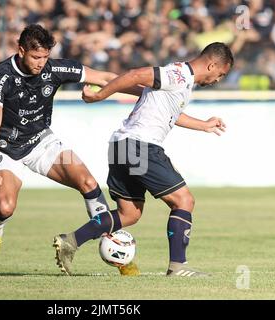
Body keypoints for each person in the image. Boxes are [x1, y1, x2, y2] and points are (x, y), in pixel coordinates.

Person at [53, 42, 233, 277]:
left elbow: (169, 111)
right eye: (220, 74)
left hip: (120, 145)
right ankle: (178, 267)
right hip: (140, 146)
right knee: (184, 201)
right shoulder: (178, 74)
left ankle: (71, 241)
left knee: (129, 214)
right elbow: (134, 75)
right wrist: (99, 96)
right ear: (211, 65)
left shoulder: (182, 82)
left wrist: (203, 125)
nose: (218, 80)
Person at [0, 24, 141, 272]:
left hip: (43, 143)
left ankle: (116, 246)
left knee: (87, 182)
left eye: (45, 57)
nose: (41, 63)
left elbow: (106, 78)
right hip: (7, 150)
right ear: (20, 50)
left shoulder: (54, 68)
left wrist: (148, 94)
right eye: (35, 57)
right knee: (5, 207)